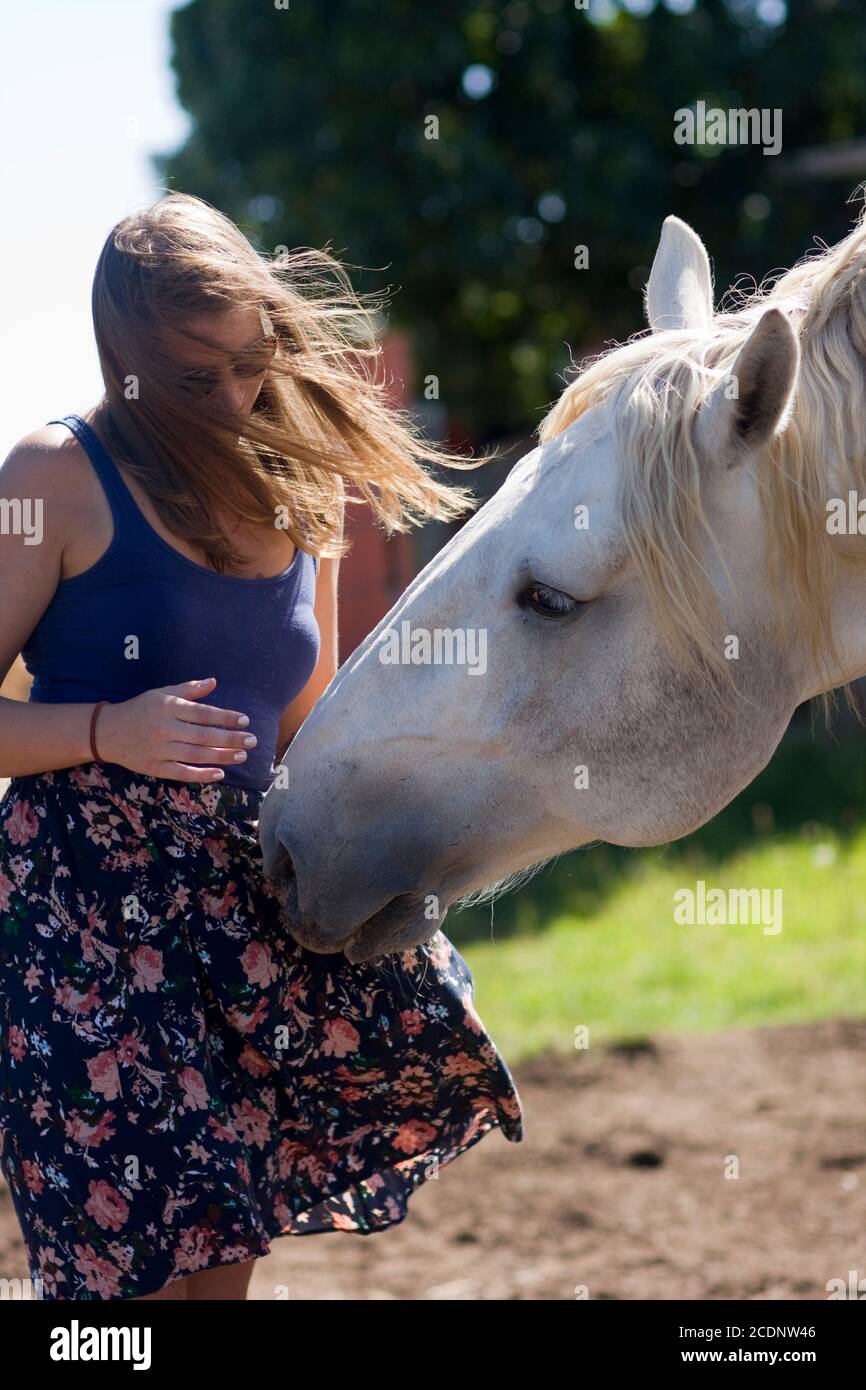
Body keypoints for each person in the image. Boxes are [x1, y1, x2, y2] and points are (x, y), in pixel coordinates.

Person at [0, 192, 524, 1301]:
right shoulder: (51, 476)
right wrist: (108, 730)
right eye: (199, 378)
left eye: (254, 357)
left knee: (225, 1262)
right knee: (121, 1276)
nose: (237, 396)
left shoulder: (303, 488)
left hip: (237, 929)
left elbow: (305, 722)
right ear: (127, 358)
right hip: (80, 921)